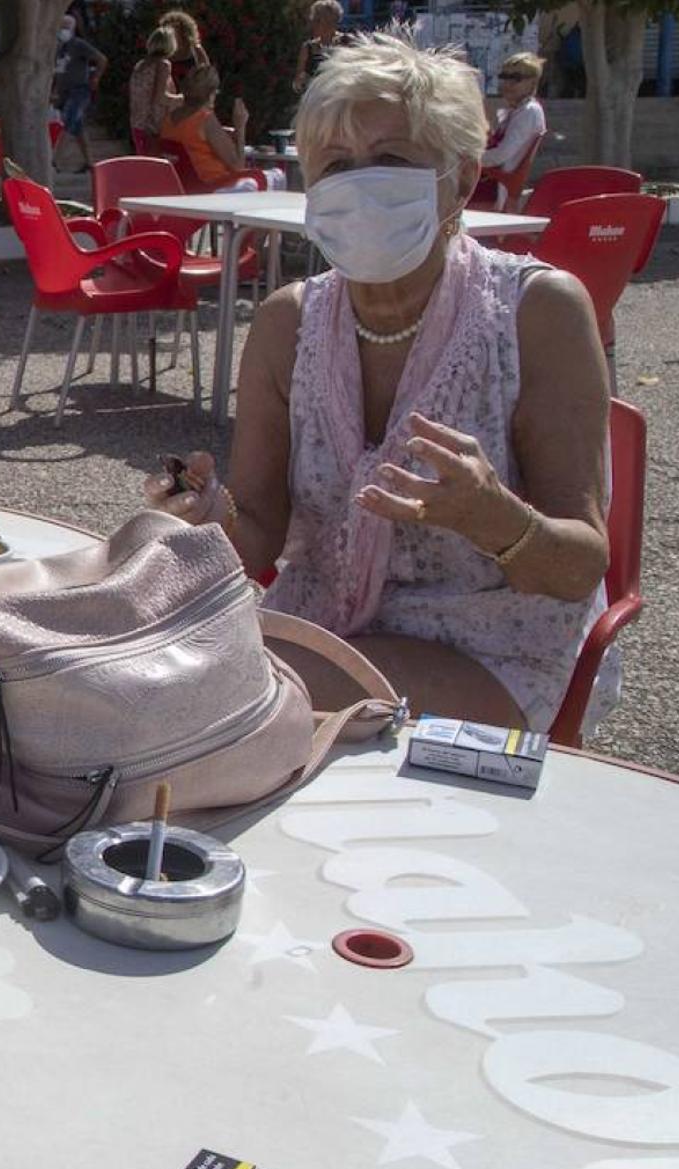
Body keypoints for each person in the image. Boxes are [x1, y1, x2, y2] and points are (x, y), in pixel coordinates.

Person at [143, 33, 615, 733]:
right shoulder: (288, 323)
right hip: (318, 633)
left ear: (459, 177)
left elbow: (579, 568)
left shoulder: (537, 311)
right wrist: (208, 514)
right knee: (150, 670)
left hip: (491, 648)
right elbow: (261, 539)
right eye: (335, 164)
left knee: (211, 699)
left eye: (390, 160)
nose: (359, 184)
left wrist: (494, 518)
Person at [159, 67, 286, 191]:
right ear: (211, 94)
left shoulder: (168, 120)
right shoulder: (205, 119)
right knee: (278, 176)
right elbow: (238, 166)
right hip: (215, 185)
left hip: (188, 185)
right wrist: (240, 127)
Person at [52, 10, 108, 174]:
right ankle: (89, 162)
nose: (63, 30)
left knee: (69, 122)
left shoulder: (79, 45)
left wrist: (95, 78)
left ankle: (54, 160)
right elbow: (58, 71)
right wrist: (54, 91)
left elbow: (101, 59)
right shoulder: (59, 48)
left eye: (66, 27)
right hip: (64, 92)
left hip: (79, 90)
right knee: (78, 127)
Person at [481, 51, 547, 173]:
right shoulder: (518, 110)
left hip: (496, 182)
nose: (507, 84)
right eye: (504, 77)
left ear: (532, 82)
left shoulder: (529, 112)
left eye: (516, 78)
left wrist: (466, 161)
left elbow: (500, 155)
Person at [128, 26, 183, 155]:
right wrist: (183, 99)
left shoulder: (142, 65)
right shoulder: (163, 65)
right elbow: (160, 96)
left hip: (138, 123)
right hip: (153, 127)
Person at [294, 0, 345, 92]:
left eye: (317, 21)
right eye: (314, 20)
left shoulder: (347, 43)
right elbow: (298, 81)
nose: (313, 25)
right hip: (317, 98)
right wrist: (302, 81)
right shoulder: (308, 48)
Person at [159, 10, 211, 85]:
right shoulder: (163, 52)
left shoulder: (195, 50)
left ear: (184, 33)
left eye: (174, 32)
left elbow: (207, 75)